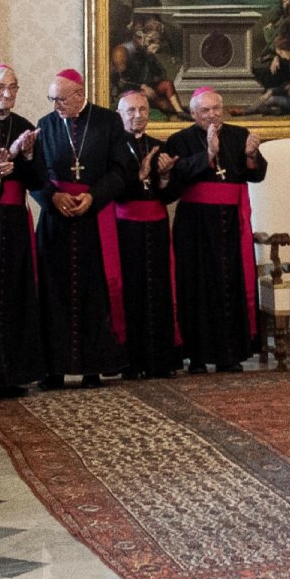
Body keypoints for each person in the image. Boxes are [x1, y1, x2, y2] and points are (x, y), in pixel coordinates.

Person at [33, 68, 132, 387]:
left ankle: (93, 367)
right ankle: (54, 369)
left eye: (60, 99)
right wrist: (52, 197)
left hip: (94, 219)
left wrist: (94, 197)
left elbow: (120, 171)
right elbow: (33, 177)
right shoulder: (45, 126)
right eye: (51, 99)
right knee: (53, 294)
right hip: (55, 222)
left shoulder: (108, 121)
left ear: (79, 94)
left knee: (94, 293)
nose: (55, 106)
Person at [166, 87, 267, 373]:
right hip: (194, 226)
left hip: (230, 224)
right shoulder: (179, 140)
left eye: (216, 109)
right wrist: (208, 154)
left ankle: (229, 355)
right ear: (193, 113)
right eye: (205, 111)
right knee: (195, 286)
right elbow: (177, 177)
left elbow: (256, 175)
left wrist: (251, 156)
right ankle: (197, 357)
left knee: (230, 285)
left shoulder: (238, 134)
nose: (212, 115)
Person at [0, 64, 47, 395]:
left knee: (16, 294)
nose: (7, 93)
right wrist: (11, 156)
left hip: (14, 222)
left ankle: (15, 373)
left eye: (12, 87)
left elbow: (39, 180)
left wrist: (27, 154)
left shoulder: (27, 127)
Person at [114, 89, 180, 378]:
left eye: (142, 110)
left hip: (155, 226)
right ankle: (131, 362)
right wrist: (138, 176)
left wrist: (164, 177)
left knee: (158, 289)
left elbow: (170, 195)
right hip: (124, 227)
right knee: (131, 290)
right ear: (120, 115)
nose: (138, 116)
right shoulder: (112, 148)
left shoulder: (159, 147)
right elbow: (111, 189)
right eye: (131, 111)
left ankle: (159, 361)